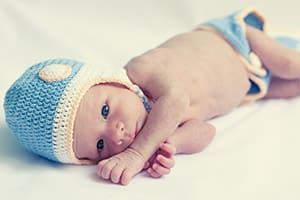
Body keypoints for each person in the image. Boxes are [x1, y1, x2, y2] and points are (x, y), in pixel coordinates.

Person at [4, 8, 300, 185]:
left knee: (289, 63)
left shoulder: (141, 71)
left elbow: (177, 99)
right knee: (289, 88)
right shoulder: (154, 132)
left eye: (105, 111)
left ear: (109, 82)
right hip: (250, 86)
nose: (116, 134)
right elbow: (205, 131)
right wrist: (172, 144)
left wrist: (137, 154)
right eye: (99, 145)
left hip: (235, 40)